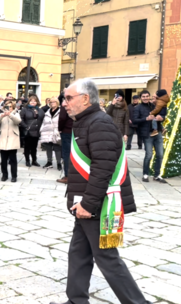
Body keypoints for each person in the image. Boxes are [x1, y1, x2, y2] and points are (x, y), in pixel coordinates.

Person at [50, 78, 152, 304]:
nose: (64, 102)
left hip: (98, 204)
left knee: (107, 258)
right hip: (87, 202)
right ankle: (76, 299)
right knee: (79, 253)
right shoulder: (86, 121)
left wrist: (88, 204)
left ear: (85, 99)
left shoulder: (99, 123)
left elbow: (102, 169)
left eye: (68, 98)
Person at [133, 90, 168, 183]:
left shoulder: (154, 105)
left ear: (149, 97)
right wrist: (146, 119)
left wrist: (162, 118)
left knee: (160, 154)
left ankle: (157, 175)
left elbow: (162, 114)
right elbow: (134, 120)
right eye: (143, 96)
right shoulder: (138, 108)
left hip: (158, 133)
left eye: (147, 96)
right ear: (140, 98)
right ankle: (145, 174)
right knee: (149, 154)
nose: (145, 98)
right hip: (147, 134)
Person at [0, 99, 21, 182]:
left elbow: (18, 121)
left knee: (13, 160)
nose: (8, 108)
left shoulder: (16, 114)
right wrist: (1, 116)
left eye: (10, 107)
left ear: (13, 107)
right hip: (3, 139)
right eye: (7, 107)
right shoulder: (2, 114)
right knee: (3, 160)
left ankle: (14, 176)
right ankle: (4, 175)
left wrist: (10, 115)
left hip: (13, 139)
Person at [20, 94, 45, 167]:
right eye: (31, 101)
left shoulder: (40, 110)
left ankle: (34, 160)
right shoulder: (24, 109)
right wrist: (25, 126)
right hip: (28, 131)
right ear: (29, 102)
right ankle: (27, 160)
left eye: (35, 101)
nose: (33, 102)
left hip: (37, 131)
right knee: (27, 147)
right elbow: (21, 119)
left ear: (37, 102)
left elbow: (43, 119)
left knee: (34, 147)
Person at [39, 97, 62, 170]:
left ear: (57, 102)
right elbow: (44, 122)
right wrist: (41, 130)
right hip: (47, 132)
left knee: (57, 148)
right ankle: (49, 162)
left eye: (54, 102)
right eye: (51, 102)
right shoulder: (47, 112)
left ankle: (59, 163)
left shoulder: (60, 111)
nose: (52, 103)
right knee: (48, 148)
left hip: (56, 132)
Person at [56, 92, 73, 184]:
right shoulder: (77, 104)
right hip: (77, 130)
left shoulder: (65, 105)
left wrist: (60, 129)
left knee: (67, 154)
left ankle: (67, 176)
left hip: (66, 131)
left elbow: (62, 118)